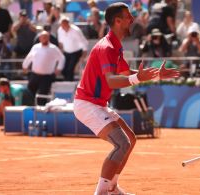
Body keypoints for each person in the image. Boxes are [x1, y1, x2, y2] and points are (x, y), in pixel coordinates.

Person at [73, 3, 179, 195]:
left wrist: (156, 75)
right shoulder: (106, 47)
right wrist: (138, 77)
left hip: (98, 104)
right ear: (117, 21)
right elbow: (112, 81)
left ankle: (112, 188)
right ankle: (101, 192)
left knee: (130, 139)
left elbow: (124, 73)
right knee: (122, 143)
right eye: (128, 16)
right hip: (87, 104)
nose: (132, 19)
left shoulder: (115, 46)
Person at [22, 31, 65, 105]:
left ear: (48, 38)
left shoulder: (53, 48)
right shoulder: (35, 47)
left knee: (43, 95)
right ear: (40, 38)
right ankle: (30, 109)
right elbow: (29, 57)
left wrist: (59, 68)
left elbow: (62, 58)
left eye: (46, 37)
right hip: (34, 75)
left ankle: (41, 113)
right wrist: (25, 66)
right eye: (43, 37)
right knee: (29, 93)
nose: (44, 38)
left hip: (46, 77)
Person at [57, 16, 88, 81]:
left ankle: (69, 83)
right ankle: (66, 82)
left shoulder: (76, 30)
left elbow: (83, 41)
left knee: (70, 69)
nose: (63, 25)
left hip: (76, 52)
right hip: (66, 52)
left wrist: (84, 52)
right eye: (62, 23)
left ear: (68, 23)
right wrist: (61, 51)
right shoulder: (60, 30)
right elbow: (60, 42)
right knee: (64, 69)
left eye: (65, 23)